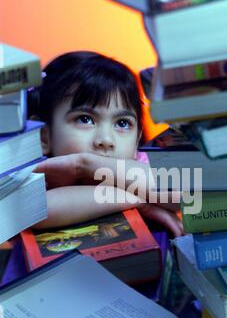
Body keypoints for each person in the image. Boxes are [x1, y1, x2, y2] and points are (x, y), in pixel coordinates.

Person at [28, 51, 183, 236]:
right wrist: (139, 201)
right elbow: (37, 211)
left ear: (136, 140)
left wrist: (84, 164)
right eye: (85, 119)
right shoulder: (42, 171)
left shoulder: (140, 164)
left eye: (122, 123)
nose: (106, 140)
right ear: (43, 137)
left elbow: (180, 197)